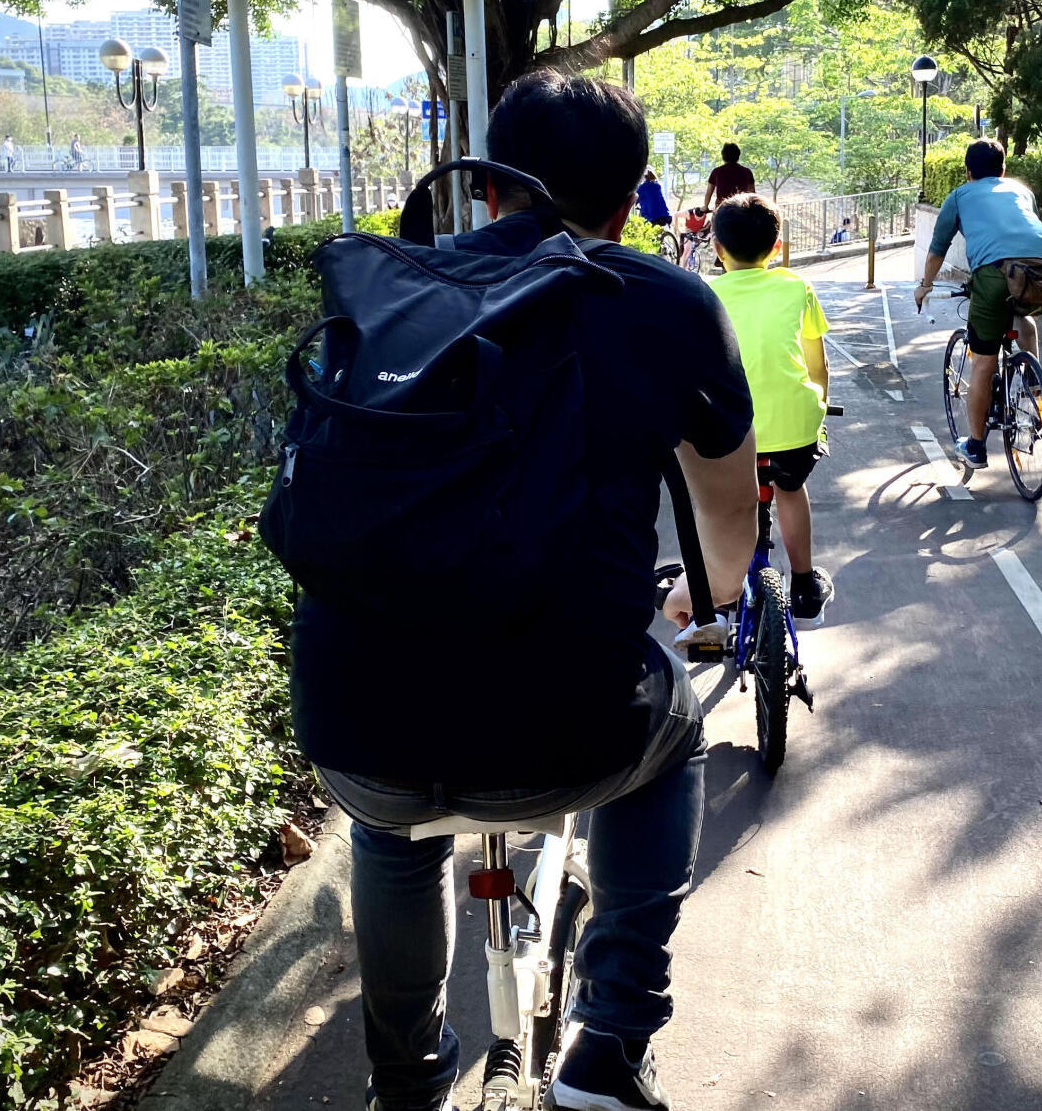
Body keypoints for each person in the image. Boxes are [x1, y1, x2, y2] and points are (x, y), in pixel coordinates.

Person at [301, 72, 759, 1111]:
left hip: (359, 718)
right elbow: (728, 515)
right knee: (669, 737)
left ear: (493, 184)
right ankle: (613, 1045)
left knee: (390, 825)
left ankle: (406, 1074)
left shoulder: (390, 284)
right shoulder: (667, 300)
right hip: (572, 727)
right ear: (633, 192)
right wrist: (704, 596)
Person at [706, 193, 835, 622]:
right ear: (777, 247)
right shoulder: (797, 286)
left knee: (723, 507)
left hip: (727, 431)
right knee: (791, 490)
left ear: (717, 248)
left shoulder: (703, 293)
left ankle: (720, 600)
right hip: (793, 427)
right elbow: (817, 364)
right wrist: (818, 412)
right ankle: (803, 583)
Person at [913, 138, 1042, 469]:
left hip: (994, 275)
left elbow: (937, 250)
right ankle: (1034, 389)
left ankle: (976, 447)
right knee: (1024, 321)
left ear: (967, 172)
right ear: (1003, 170)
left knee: (983, 361)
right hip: (1041, 270)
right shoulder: (1022, 191)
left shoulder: (961, 195)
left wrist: (925, 287)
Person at [701, 142, 755, 210]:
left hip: (722, 209)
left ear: (723, 156)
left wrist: (705, 206)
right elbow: (752, 193)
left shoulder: (717, 172)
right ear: (738, 156)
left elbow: (709, 192)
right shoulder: (747, 172)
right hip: (741, 209)